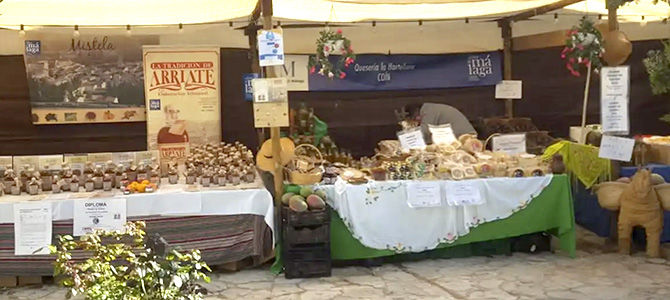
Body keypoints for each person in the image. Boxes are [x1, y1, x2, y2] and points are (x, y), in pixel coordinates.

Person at [405, 103, 477, 143]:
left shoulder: (429, 111)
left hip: (465, 138)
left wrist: (405, 138)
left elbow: (424, 131)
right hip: (463, 136)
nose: (417, 120)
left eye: (415, 118)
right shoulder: (434, 108)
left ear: (417, 112)